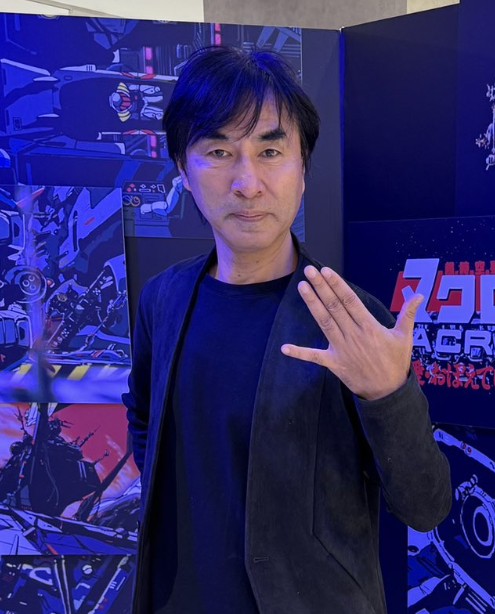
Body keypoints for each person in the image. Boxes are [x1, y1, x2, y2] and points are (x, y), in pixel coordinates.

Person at [123, 45, 451, 614]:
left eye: (271, 151)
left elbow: (425, 506)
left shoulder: (350, 318)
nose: (247, 182)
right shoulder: (162, 299)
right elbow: (144, 418)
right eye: (218, 151)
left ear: (302, 170)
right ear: (183, 170)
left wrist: (387, 396)